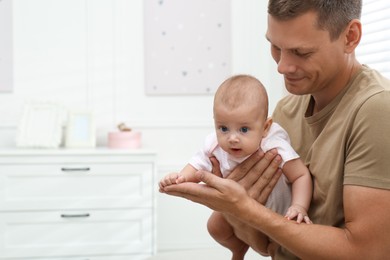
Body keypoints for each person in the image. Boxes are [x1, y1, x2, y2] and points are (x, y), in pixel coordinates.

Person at [160, 0, 390, 259]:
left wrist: (245, 209)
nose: (281, 67)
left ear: (350, 37)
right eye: (275, 46)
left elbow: (369, 252)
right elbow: (268, 246)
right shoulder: (285, 112)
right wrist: (235, 212)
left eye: (301, 53)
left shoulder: (377, 109)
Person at [159, 75, 313, 259]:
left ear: (265, 127)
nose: (232, 138)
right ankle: (237, 250)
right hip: (236, 207)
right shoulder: (214, 144)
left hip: (277, 214)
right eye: (223, 128)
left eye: (244, 129)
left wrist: (299, 206)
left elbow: (301, 176)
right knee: (215, 227)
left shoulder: (274, 145)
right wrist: (180, 178)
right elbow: (196, 165)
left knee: (280, 244)